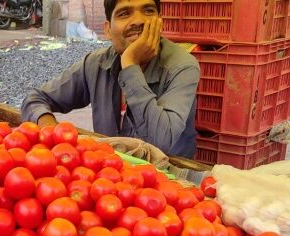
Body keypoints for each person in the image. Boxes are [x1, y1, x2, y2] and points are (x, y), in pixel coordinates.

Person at [21, 0, 200, 158]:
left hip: (167, 178)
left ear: (160, 23)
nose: (138, 21)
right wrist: (50, 130)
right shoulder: (95, 64)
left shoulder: (182, 67)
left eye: (148, 11)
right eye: (124, 13)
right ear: (107, 29)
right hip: (110, 174)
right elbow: (35, 99)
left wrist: (130, 64)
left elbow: (161, 143)